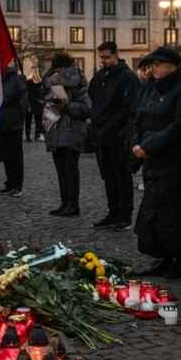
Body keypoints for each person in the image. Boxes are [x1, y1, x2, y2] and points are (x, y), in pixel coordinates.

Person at [130, 47, 181, 279]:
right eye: (153, 64)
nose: (155, 68)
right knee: (155, 213)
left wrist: (149, 145)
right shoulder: (151, 87)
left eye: (159, 64)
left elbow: (180, 126)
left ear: (172, 65)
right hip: (152, 160)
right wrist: (137, 143)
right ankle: (164, 258)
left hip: (174, 160)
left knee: (173, 214)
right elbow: (139, 117)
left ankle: (178, 262)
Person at [88, 41, 140, 230]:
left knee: (122, 176)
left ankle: (125, 216)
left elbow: (128, 108)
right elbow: (93, 96)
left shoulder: (127, 77)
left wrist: (110, 127)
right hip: (102, 135)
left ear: (116, 55)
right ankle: (113, 212)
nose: (104, 61)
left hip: (119, 136)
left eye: (107, 57)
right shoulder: (101, 75)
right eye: (101, 57)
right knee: (108, 176)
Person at [41, 53, 92, 217]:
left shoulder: (78, 84)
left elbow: (87, 108)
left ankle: (73, 205)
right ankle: (65, 203)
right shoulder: (50, 83)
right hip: (55, 129)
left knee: (70, 170)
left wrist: (68, 106)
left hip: (71, 130)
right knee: (62, 171)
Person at [0, 61, 27, 197]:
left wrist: (20, 118)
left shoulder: (16, 79)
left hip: (14, 123)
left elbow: (19, 99)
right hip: (1, 123)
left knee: (15, 157)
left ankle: (17, 186)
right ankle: (9, 184)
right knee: (6, 156)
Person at [25, 74, 43, 142]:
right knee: (37, 121)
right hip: (35, 104)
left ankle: (29, 136)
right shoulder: (38, 84)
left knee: (29, 121)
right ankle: (36, 136)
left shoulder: (28, 84)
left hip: (31, 104)